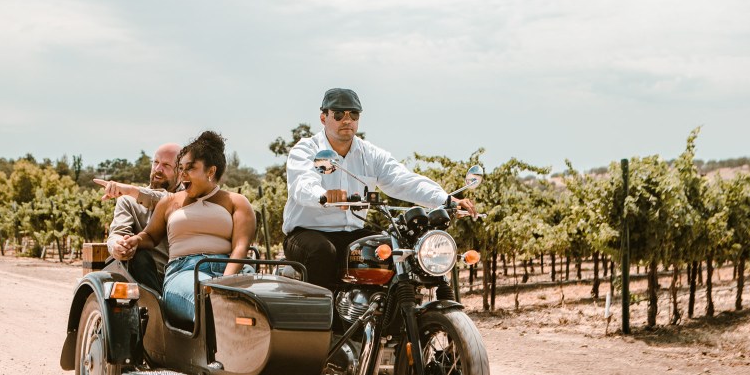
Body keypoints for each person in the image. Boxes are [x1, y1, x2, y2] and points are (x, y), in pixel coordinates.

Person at [282, 87, 478, 290]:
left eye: (353, 114)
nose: (346, 120)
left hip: (352, 232)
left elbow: (403, 180)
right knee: (322, 252)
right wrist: (323, 195)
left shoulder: (370, 154)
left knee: (388, 249)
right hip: (307, 233)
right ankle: (326, 320)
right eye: (338, 114)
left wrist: (445, 200)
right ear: (324, 118)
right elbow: (302, 184)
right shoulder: (306, 150)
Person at [99, 131, 256, 326]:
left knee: (258, 304)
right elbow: (150, 235)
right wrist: (135, 240)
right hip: (185, 270)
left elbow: (240, 247)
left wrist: (224, 285)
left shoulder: (237, 202)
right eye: (180, 168)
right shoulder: (170, 202)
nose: (183, 175)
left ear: (210, 171)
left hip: (230, 267)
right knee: (208, 302)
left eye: (189, 168)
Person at [94, 143, 180, 293]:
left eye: (166, 165)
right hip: (145, 277)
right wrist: (117, 246)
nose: (158, 169)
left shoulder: (187, 199)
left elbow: (167, 200)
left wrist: (130, 190)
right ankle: (157, 305)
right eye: (156, 162)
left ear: (181, 171)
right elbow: (117, 233)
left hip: (180, 275)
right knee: (139, 256)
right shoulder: (128, 200)